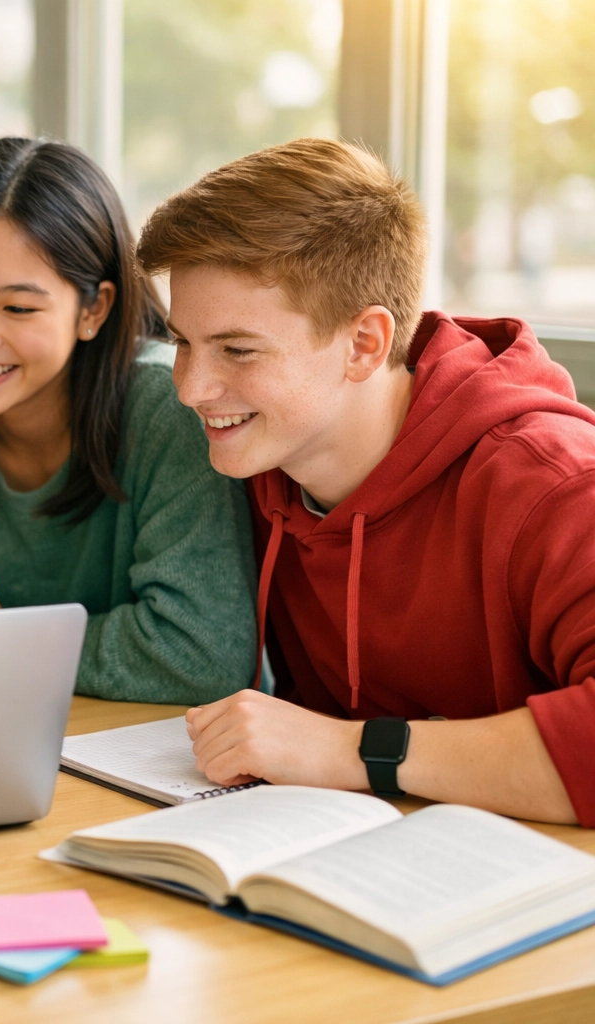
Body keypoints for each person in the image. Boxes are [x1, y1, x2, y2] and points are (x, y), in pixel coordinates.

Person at [141, 137, 595, 826]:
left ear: (364, 344)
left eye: (237, 349)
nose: (191, 388)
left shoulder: (553, 483)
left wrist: (351, 751)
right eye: (182, 341)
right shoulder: (263, 458)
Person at [0, 138, 257, 704]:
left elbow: (199, 653)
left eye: (18, 308)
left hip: (143, 744)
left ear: (93, 309)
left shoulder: (170, 408)